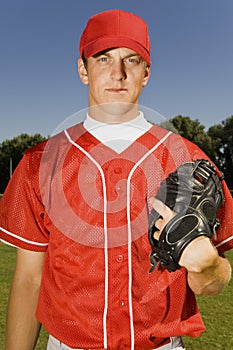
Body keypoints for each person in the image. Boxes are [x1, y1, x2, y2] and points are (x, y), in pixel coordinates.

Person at [0, 9, 233, 350]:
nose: (118, 73)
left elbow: (216, 281)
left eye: (132, 60)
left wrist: (209, 265)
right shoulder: (40, 163)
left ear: (146, 73)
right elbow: (29, 279)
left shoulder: (189, 158)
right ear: (83, 69)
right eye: (103, 58)